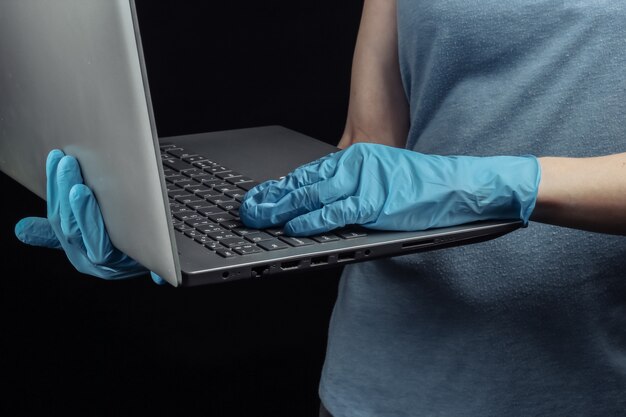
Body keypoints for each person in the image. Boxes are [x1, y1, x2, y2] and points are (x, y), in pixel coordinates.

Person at [14, 0, 626, 416]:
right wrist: (161, 227)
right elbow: (367, 144)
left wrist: (499, 182)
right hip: (372, 383)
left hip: (576, 384)